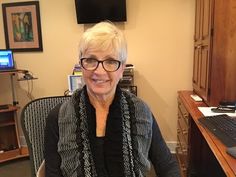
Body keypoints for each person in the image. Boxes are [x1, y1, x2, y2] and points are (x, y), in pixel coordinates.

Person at [44, 21, 181, 177]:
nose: (99, 71)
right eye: (90, 60)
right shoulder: (57, 117)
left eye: (110, 61)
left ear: (122, 69)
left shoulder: (141, 111)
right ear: (81, 65)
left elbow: (167, 165)